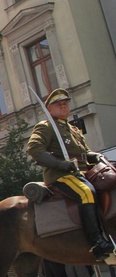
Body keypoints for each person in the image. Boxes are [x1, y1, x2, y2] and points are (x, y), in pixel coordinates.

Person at [27, 88, 113, 261]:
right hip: (61, 175)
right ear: (49, 109)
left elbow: (84, 152)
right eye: (58, 104)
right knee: (85, 192)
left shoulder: (72, 129)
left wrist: (94, 155)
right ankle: (96, 241)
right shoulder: (46, 127)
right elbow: (34, 149)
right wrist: (60, 164)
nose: (63, 106)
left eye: (65, 103)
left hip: (83, 171)